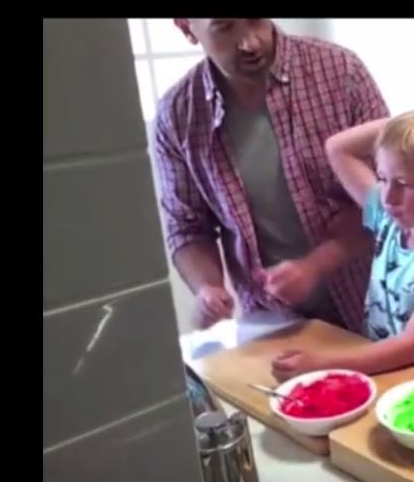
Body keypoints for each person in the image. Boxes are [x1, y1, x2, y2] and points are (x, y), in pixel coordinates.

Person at [150, 19, 388, 335]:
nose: (251, 43)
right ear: (185, 26)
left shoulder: (341, 71)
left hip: (376, 307)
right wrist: (207, 288)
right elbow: (187, 227)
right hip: (272, 324)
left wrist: (316, 265)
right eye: (225, 27)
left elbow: (392, 199)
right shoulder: (178, 115)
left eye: (256, 19)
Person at [270, 98, 414, 379]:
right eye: (382, 179)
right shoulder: (389, 219)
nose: (388, 196)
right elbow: (337, 148)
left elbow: (412, 345)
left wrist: (322, 363)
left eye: (403, 184)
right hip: (381, 373)